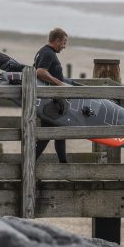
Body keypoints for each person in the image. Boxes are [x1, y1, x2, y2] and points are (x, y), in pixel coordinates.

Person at [34, 28, 68, 163]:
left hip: (53, 101)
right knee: (47, 135)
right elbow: (40, 72)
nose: (64, 46)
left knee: (60, 134)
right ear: (58, 40)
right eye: (64, 42)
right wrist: (59, 83)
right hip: (50, 102)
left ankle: (63, 164)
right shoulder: (48, 53)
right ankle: (28, 161)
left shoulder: (44, 51)